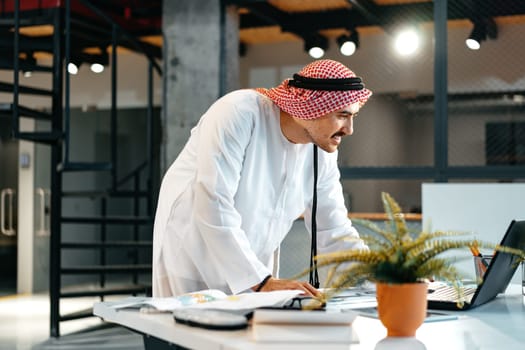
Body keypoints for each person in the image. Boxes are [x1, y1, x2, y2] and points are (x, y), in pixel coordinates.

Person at [152, 59, 372, 298]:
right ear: (311, 106)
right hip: (192, 262)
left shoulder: (322, 152)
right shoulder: (239, 112)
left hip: (252, 271)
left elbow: (333, 228)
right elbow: (213, 202)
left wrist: (384, 274)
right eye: (342, 115)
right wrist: (261, 281)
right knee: (188, 333)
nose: (349, 129)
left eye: (354, 117)